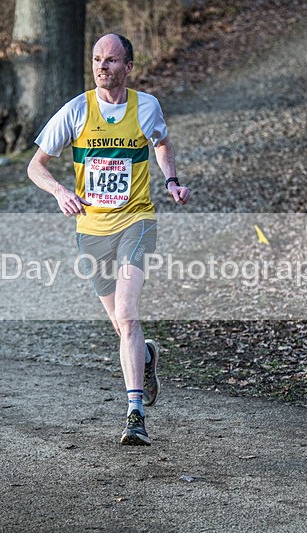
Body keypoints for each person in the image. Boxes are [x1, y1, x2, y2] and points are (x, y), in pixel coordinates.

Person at [27, 33, 191, 446]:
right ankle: (147, 357)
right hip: (91, 229)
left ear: (128, 67)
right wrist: (60, 191)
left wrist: (171, 180)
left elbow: (162, 143)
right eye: (97, 59)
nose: (102, 66)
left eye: (112, 60)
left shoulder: (146, 106)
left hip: (137, 220)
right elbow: (35, 166)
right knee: (120, 325)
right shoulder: (77, 110)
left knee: (128, 314)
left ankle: (135, 413)